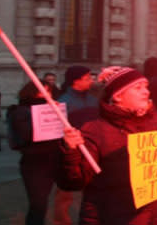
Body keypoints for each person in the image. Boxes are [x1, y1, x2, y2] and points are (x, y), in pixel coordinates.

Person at [60, 66, 157, 225]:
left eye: (146, 87)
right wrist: (70, 151)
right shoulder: (95, 130)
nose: (146, 92)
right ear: (118, 96)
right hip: (119, 218)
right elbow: (73, 181)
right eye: (138, 88)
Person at [12, 80, 62, 225]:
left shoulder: (54, 107)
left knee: (45, 200)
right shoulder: (21, 111)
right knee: (38, 203)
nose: (47, 94)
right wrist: (45, 114)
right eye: (42, 91)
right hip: (34, 163)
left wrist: (57, 114)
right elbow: (26, 135)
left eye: (49, 91)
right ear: (32, 92)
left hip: (53, 158)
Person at [54, 66, 99, 225]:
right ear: (76, 81)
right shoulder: (63, 102)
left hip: (92, 149)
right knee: (65, 192)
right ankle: (61, 221)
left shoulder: (94, 99)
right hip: (72, 150)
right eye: (87, 78)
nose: (91, 81)